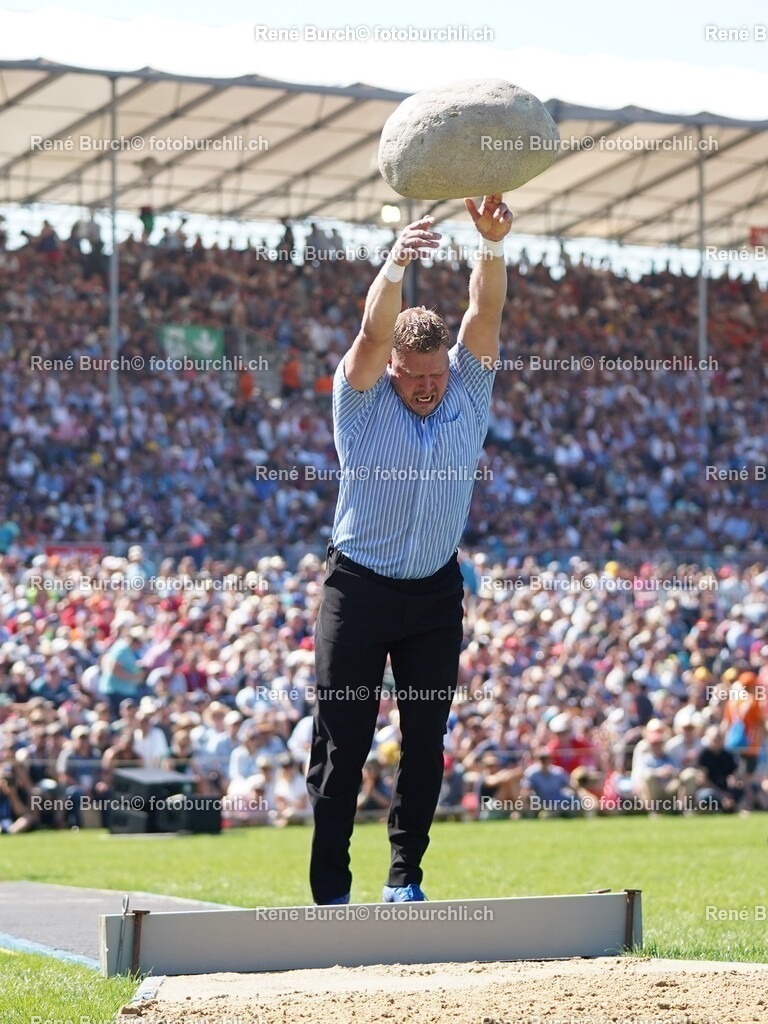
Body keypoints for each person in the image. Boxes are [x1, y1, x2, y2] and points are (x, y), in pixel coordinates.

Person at [306, 195, 512, 905]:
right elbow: (369, 330)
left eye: (436, 377)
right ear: (392, 368)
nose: (427, 389)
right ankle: (331, 890)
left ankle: (406, 877)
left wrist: (489, 245)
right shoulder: (359, 397)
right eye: (414, 377)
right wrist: (396, 261)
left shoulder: (469, 386)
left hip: (432, 593)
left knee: (425, 742)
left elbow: (483, 316)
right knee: (343, 744)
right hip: (357, 589)